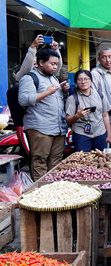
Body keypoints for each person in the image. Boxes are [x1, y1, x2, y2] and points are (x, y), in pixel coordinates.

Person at [18, 49, 70, 180]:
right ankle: (41, 191)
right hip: (40, 128)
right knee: (40, 160)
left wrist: (63, 92)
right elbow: (23, 99)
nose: (55, 67)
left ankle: (54, 190)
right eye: (52, 64)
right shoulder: (29, 78)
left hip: (58, 128)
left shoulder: (52, 78)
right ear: (41, 62)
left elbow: (56, 100)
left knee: (56, 161)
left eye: (56, 64)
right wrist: (47, 92)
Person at [65, 70, 111, 152]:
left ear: (91, 81)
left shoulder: (100, 95)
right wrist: (77, 116)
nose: (83, 82)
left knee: (100, 159)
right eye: (80, 79)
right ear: (76, 82)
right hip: (81, 134)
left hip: (100, 133)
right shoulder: (72, 98)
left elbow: (105, 115)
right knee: (83, 160)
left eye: (86, 79)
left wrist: (109, 135)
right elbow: (68, 120)